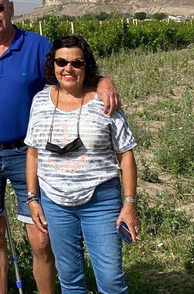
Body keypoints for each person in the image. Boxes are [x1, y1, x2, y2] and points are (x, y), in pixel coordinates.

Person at [0, 0, 121, 294]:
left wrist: (103, 80)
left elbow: (70, 71)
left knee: (41, 235)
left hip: (28, 152)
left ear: (11, 8)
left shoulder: (36, 46)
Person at [24, 35, 139, 294]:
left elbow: (126, 154)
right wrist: (33, 199)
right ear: (52, 65)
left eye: (77, 63)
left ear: (87, 67)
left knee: (111, 280)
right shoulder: (40, 101)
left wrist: (129, 204)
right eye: (61, 61)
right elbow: (33, 153)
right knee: (70, 279)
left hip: (101, 201)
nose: (68, 68)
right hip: (55, 204)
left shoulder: (106, 101)